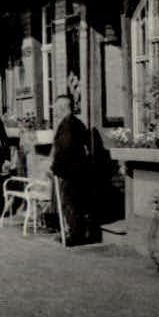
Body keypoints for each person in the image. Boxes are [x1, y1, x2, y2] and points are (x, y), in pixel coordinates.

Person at [51, 94, 102, 247]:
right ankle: (75, 233)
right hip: (77, 170)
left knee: (71, 203)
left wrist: (56, 167)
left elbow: (65, 150)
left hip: (71, 171)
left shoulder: (68, 125)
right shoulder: (76, 123)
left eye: (56, 108)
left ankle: (75, 236)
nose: (55, 111)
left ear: (62, 108)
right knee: (75, 203)